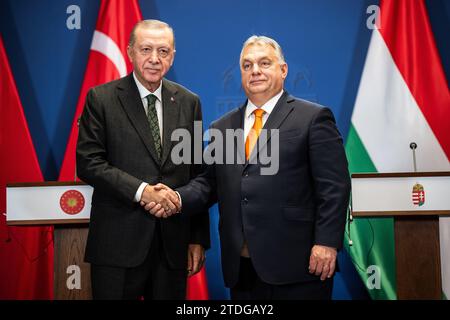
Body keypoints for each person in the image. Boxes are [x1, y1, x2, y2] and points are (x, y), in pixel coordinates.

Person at [146, 35, 351, 300]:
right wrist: (175, 197)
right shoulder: (223, 126)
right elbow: (208, 183)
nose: (255, 71)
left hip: (298, 266)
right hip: (242, 270)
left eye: (264, 63)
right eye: (247, 65)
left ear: (283, 70)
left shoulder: (313, 117)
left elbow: (334, 186)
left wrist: (326, 242)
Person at [76, 19, 209, 300]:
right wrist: (143, 192)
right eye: (146, 49)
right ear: (130, 52)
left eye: (163, 51)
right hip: (117, 244)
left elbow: (198, 173)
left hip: (172, 245)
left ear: (172, 56)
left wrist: (197, 238)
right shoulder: (101, 98)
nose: (154, 59)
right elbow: (89, 163)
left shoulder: (189, 102)